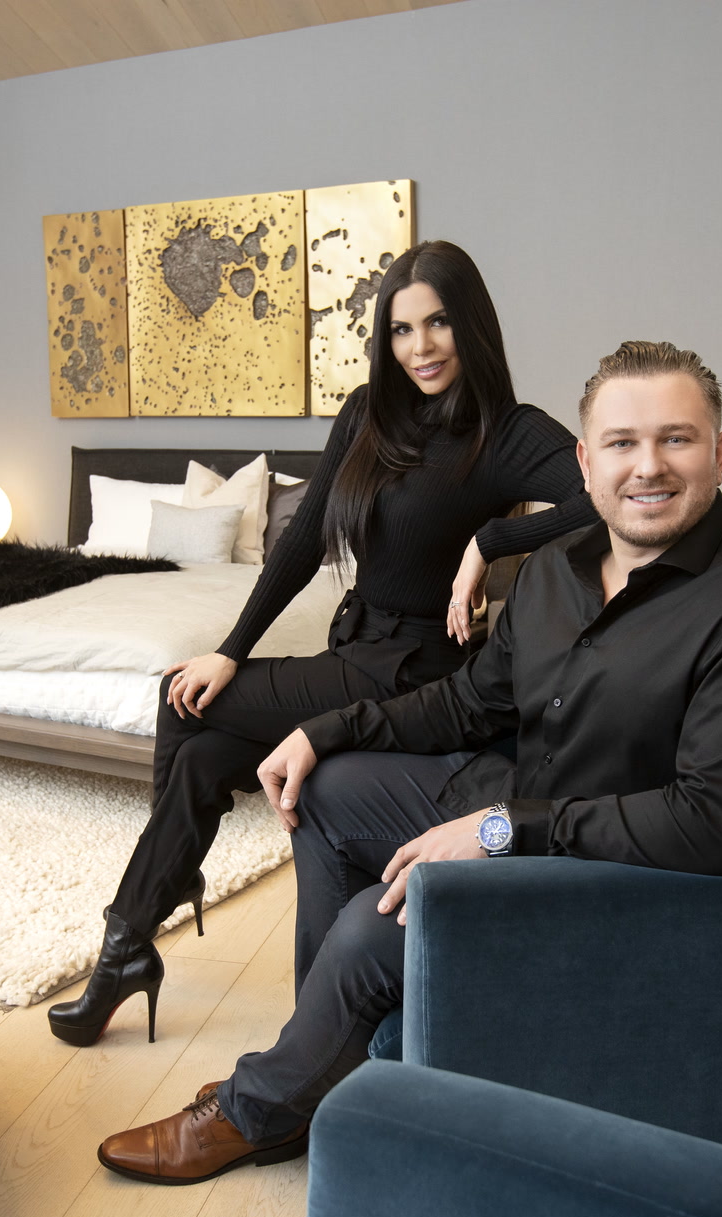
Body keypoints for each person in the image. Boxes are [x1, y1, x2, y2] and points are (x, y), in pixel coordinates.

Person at [93, 339, 722, 1184]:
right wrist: (326, 731)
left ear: (721, 451)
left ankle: (263, 1108)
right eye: (623, 443)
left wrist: (499, 832)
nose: (648, 466)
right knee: (326, 788)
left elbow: (712, 826)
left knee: (373, 928)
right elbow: (466, 703)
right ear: (585, 463)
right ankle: (317, 1065)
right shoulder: (557, 570)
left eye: (677, 439)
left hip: (639, 888)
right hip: (537, 814)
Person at [48, 241, 598, 1046]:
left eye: (439, 323)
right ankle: (130, 941)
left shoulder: (505, 432)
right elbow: (304, 539)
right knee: (199, 745)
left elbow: (603, 496)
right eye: (402, 329)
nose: (420, 347)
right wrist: (232, 649)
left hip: (413, 671)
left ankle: (152, 906)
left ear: (472, 324)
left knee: (181, 706)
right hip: (352, 651)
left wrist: (491, 542)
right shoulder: (368, 413)